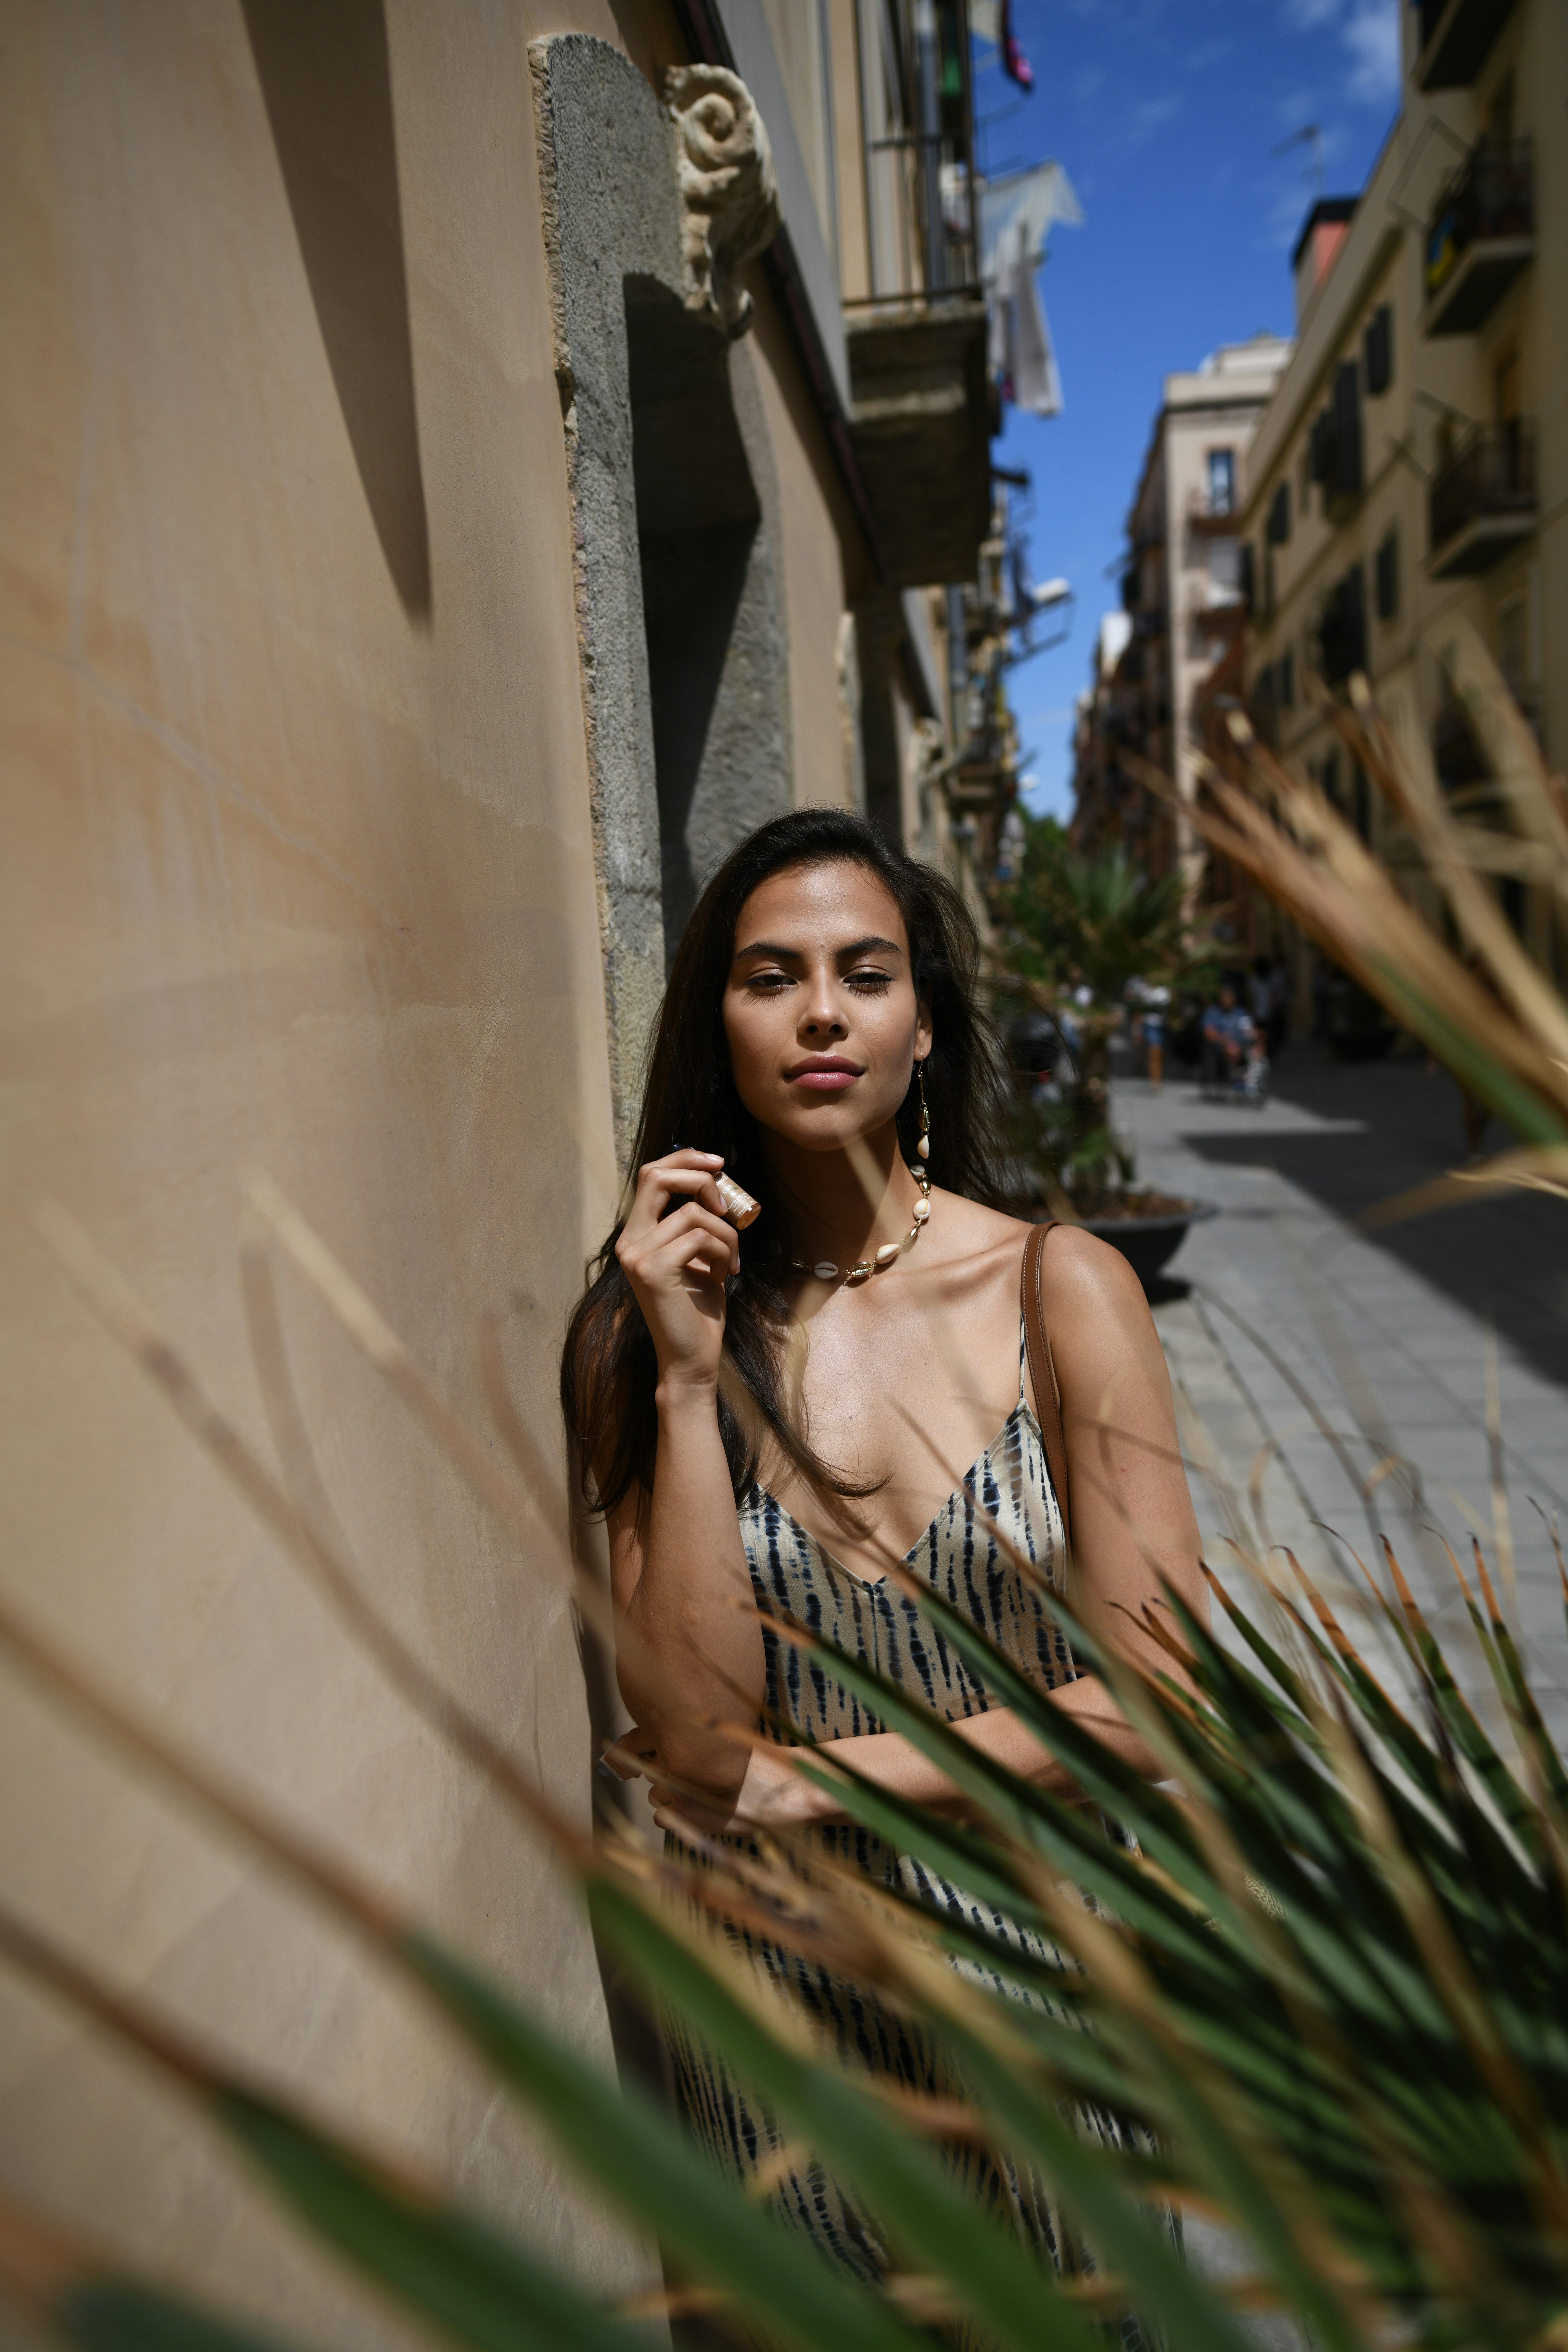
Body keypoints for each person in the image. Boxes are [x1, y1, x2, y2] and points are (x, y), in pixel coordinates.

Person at [561, 809, 1202, 2314]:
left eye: (866, 972)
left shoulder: (1064, 1287)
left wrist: (829, 1781)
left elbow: (1164, 1696)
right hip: (785, 1989)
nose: (824, 1012)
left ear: (926, 1021)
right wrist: (679, 1372)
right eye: (771, 977)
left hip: (1053, 1958)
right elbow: (707, 1739)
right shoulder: (647, 1323)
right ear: (721, 1029)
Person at [1201, 980, 1256, 1092]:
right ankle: (1234, 1078)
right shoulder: (1213, 1012)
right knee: (1233, 1050)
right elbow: (1208, 1032)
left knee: (1256, 1048)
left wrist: (1257, 1034)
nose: (1227, 1000)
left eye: (1229, 997)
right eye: (1224, 997)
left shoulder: (1240, 1012)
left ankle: (1252, 1078)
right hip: (1221, 1046)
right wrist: (1221, 1038)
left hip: (1242, 1044)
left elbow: (1249, 1028)